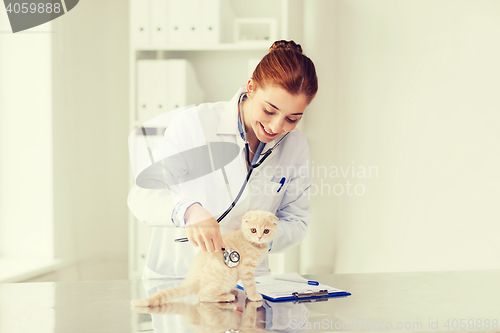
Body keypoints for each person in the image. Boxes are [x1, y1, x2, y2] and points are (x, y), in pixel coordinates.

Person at [128, 40, 318, 280]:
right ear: (251, 86)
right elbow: (142, 195)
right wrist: (188, 211)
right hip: (181, 277)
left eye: (292, 118)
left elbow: (296, 220)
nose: (276, 126)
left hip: (248, 278)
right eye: (269, 111)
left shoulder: (296, 145)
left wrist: (258, 238)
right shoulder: (195, 124)